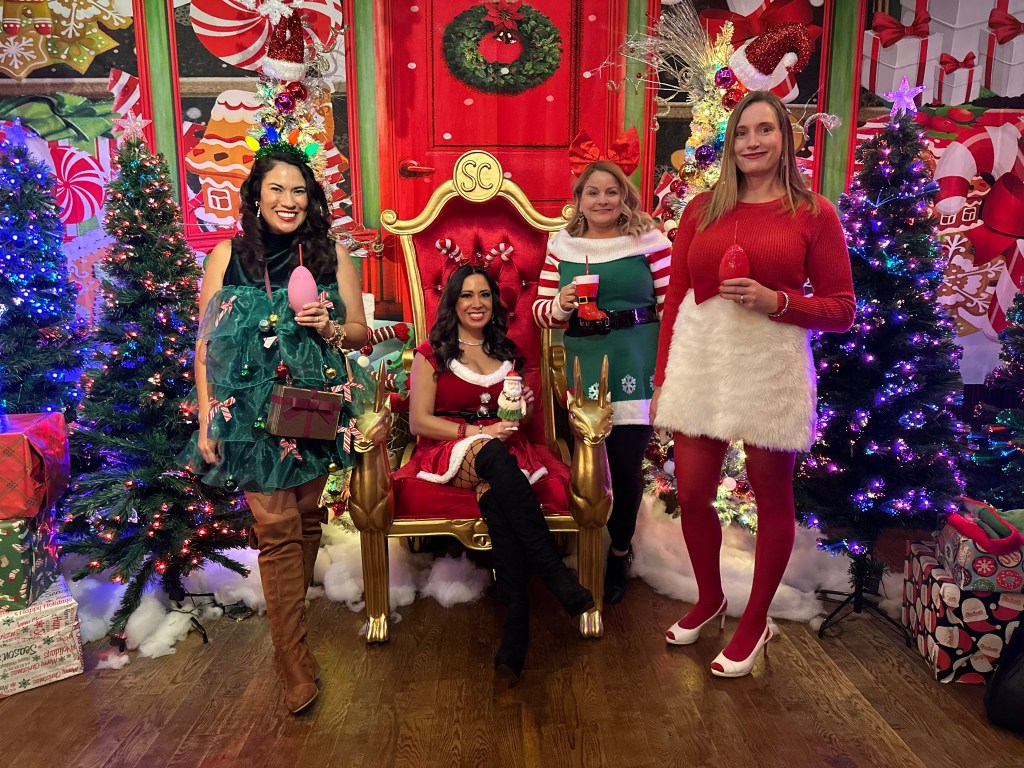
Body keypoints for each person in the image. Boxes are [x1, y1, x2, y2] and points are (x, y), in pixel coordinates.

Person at [651, 90, 855, 677]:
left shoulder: (813, 213)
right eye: (742, 132)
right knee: (692, 492)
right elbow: (676, 300)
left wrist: (779, 301)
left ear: (786, 139)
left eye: (765, 129)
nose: (752, 142)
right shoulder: (702, 209)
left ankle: (755, 619)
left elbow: (843, 309)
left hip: (770, 363)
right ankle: (710, 598)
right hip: (703, 359)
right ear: (730, 143)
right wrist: (663, 377)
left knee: (771, 497)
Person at [182, 149, 369, 713]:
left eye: (299, 191)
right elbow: (206, 342)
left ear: (311, 199)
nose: (288, 201)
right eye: (277, 190)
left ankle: (294, 633)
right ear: (256, 197)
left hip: (313, 406)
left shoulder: (332, 255)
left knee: (306, 519)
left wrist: (330, 325)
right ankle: (292, 659)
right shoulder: (226, 257)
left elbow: (360, 333)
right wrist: (207, 413)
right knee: (277, 527)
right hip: (248, 413)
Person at [408, 263, 595, 685]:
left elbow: (515, 418)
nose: (477, 303)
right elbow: (419, 421)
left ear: (494, 303)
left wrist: (521, 405)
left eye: (485, 295)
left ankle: (516, 629)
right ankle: (554, 572)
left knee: (498, 501)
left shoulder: (505, 353)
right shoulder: (431, 352)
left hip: (501, 455)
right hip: (450, 447)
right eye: (467, 295)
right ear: (453, 302)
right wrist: (477, 433)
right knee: (491, 452)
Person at [533, 160, 672, 604]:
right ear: (579, 200)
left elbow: (673, 306)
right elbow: (540, 313)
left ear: (624, 197)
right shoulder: (564, 246)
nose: (602, 200)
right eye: (592, 192)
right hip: (586, 364)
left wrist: (668, 370)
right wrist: (561, 302)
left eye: (611, 192)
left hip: (637, 359)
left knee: (626, 467)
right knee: (591, 466)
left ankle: (619, 551)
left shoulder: (650, 241)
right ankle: (589, 547)